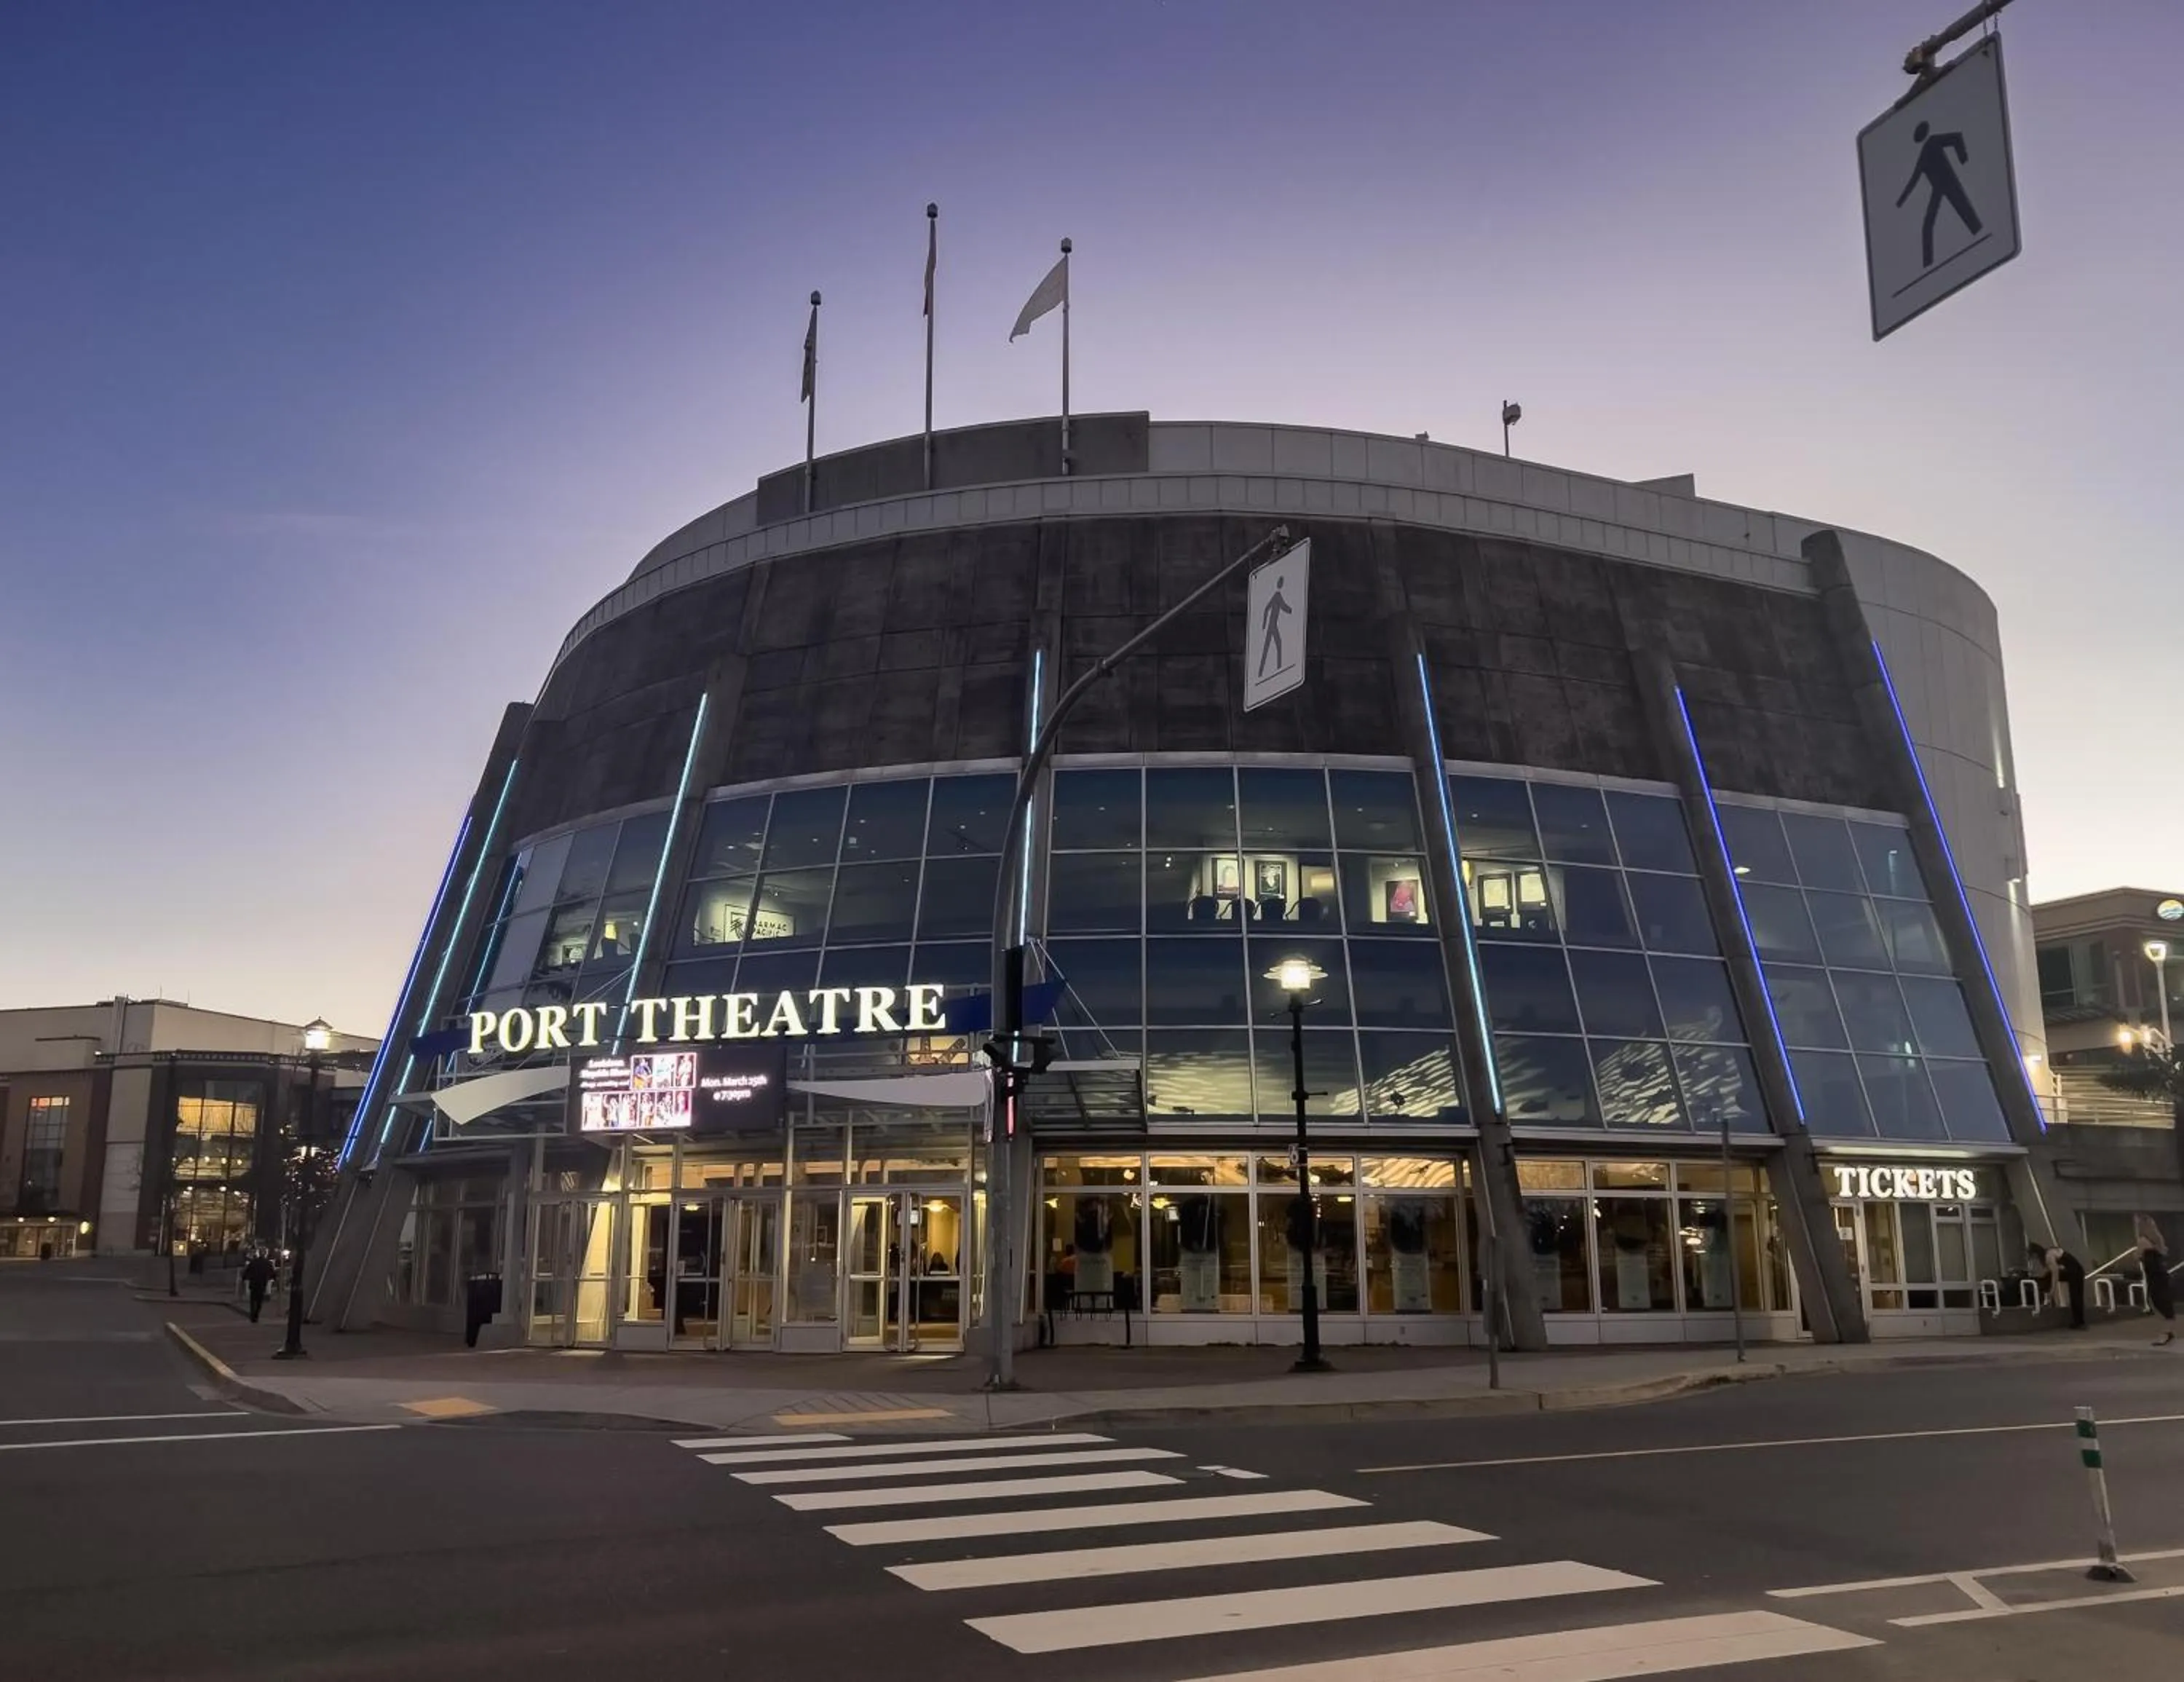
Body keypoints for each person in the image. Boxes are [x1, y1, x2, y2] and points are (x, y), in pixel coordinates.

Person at [2029, 1240, 2088, 1330]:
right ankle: (2079, 1322)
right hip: (2073, 1271)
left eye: (2034, 1257)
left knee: (2076, 1296)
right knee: (2076, 1295)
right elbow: (2058, 1268)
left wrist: (2053, 1290)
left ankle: (2080, 1322)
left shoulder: (2049, 1256)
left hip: (2075, 1272)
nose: (2035, 1260)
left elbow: (2055, 1274)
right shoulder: (2050, 1252)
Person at [2135, 1215, 2175, 1346]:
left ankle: (2165, 1333)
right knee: (2164, 1303)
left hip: (2154, 1276)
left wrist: (2137, 1255)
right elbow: (2164, 1252)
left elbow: (2138, 1256)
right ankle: (2167, 1332)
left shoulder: (2142, 1240)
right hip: (2161, 1275)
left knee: (2158, 1304)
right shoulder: (2158, 1239)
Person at [242, 1247, 277, 1324]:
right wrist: (273, 1279)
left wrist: (244, 1278)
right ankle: (256, 1314)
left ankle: (253, 1314)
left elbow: (247, 1272)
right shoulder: (268, 1263)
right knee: (259, 1301)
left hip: (253, 1283)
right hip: (262, 1283)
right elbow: (272, 1273)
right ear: (266, 1254)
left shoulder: (253, 1262)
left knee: (253, 1300)